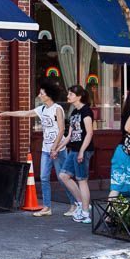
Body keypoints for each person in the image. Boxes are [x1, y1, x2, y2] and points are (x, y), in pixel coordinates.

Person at [0, 81, 66, 217]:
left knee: (63, 178)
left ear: (48, 95)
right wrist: (5, 113)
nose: (39, 95)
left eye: (42, 93)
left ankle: (77, 203)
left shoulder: (57, 109)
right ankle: (47, 207)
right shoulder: (42, 109)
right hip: (46, 148)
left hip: (58, 149)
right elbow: (24, 113)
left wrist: (55, 148)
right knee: (44, 177)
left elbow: (62, 130)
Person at [57, 85, 94, 224]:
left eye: (71, 94)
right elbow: (69, 136)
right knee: (63, 176)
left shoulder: (86, 112)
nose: (68, 96)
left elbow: (89, 133)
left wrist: (82, 151)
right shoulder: (74, 113)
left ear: (79, 96)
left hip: (83, 150)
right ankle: (81, 203)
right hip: (73, 149)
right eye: (68, 94)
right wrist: (57, 148)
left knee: (82, 180)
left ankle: (85, 213)